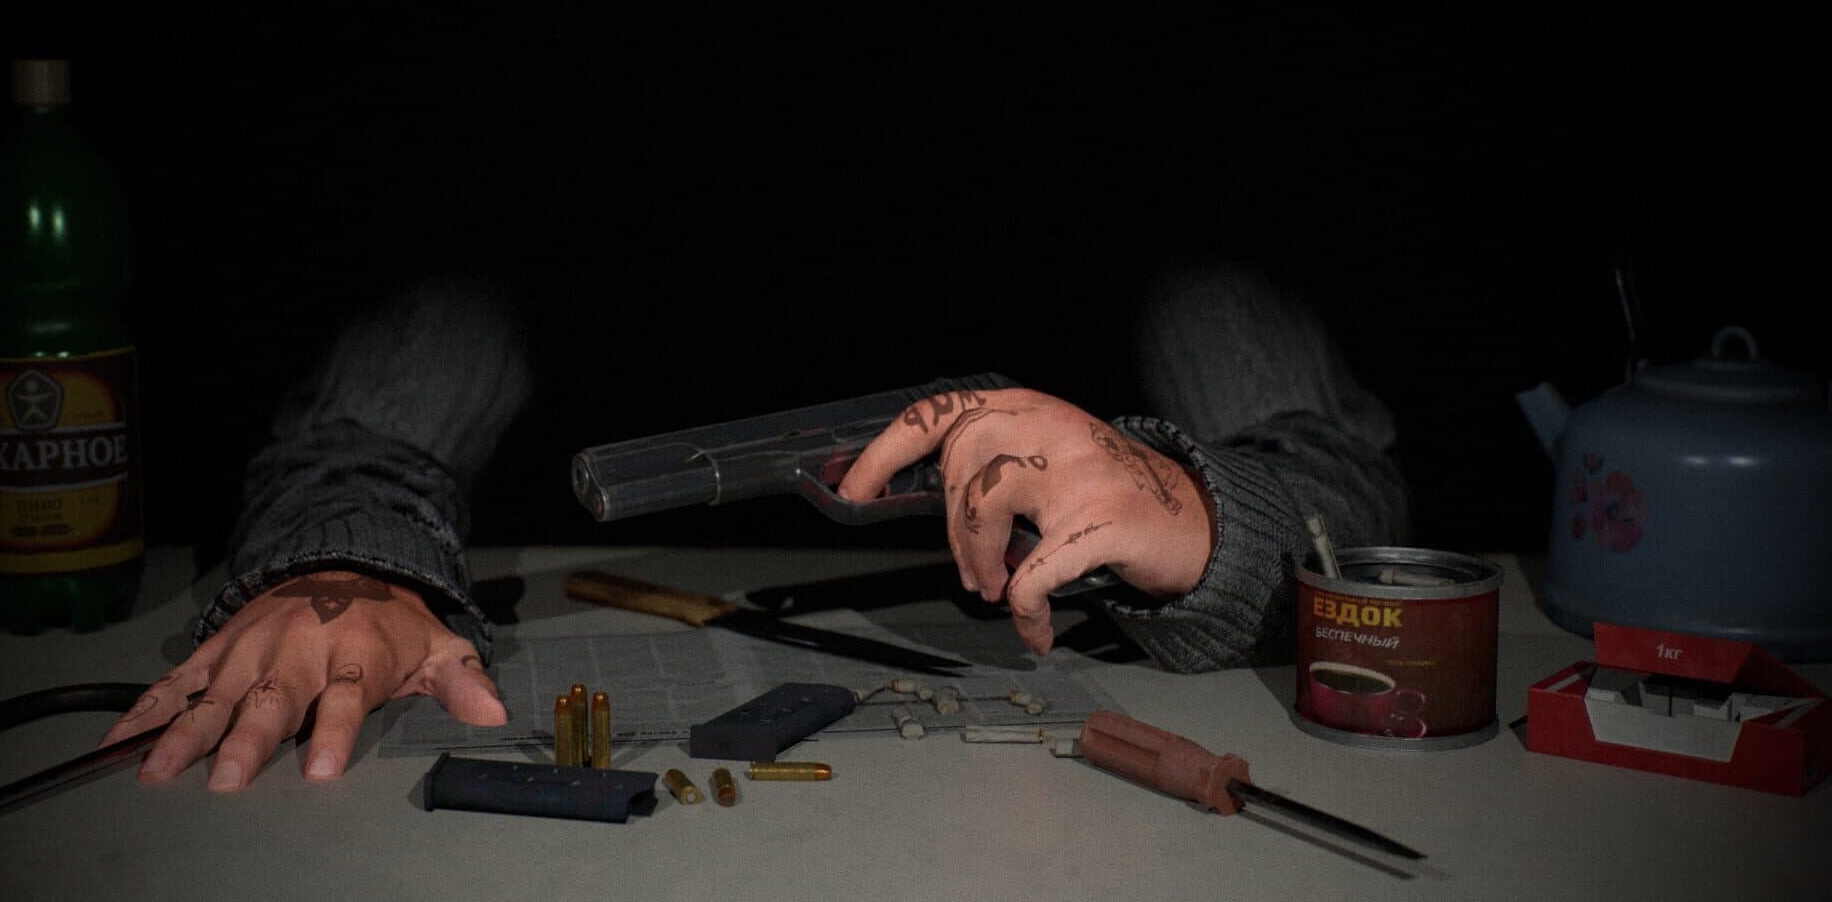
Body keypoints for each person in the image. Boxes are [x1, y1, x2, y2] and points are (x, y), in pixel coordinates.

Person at [100, 260, 1410, 790]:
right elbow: (380, 415)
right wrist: (348, 562)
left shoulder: (1187, 282)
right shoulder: (498, 280)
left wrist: (1197, 509)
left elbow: (1342, 498)